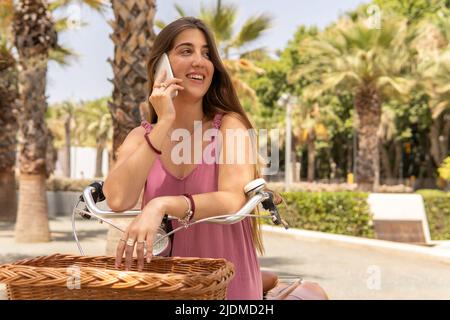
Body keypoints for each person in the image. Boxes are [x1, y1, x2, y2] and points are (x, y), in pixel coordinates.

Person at [103, 17, 270, 300]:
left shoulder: (231, 126)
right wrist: (164, 122)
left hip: (228, 287)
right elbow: (118, 199)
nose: (200, 61)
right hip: (163, 289)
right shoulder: (138, 137)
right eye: (186, 51)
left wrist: (161, 204)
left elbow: (232, 199)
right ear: (161, 67)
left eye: (206, 54)